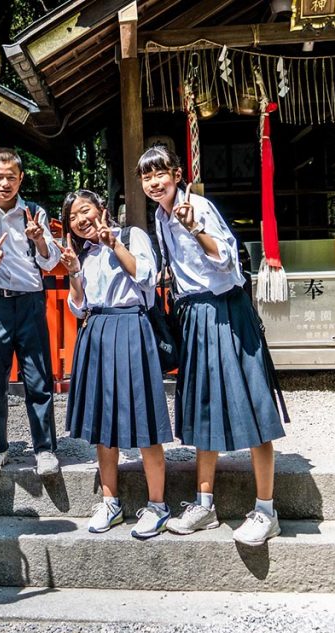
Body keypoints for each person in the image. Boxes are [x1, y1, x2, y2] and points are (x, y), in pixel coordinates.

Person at [135, 145, 288, 546]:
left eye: (160, 173)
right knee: (204, 405)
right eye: (147, 177)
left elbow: (226, 261)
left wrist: (194, 229)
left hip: (224, 309)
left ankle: (267, 509)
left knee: (252, 404)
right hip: (193, 315)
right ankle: (204, 503)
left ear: (177, 173)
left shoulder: (196, 207)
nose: (154, 182)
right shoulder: (159, 215)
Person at [58, 190, 174, 539]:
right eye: (73, 217)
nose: (81, 220)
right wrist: (74, 272)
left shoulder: (130, 235)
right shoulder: (82, 254)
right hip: (96, 329)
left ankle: (158, 505)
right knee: (103, 422)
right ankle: (110, 501)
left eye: (85, 211)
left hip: (131, 325)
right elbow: (79, 306)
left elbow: (146, 279)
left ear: (101, 210)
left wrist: (114, 245)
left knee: (144, 418)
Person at [0, 147, 61, 476]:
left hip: (30, 301)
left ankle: (45, 448)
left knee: (38, 377)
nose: (5, 183)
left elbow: (50, 262)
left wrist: (39, 240)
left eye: (12, 177)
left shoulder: (34, 212)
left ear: (21, 178)